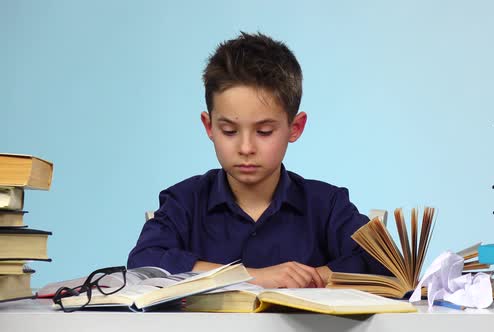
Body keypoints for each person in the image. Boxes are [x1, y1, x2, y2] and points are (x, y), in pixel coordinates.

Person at [127, 32, 389, 288]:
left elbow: (381, 263)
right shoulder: (184, 201)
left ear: (295, 128)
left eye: (264, 131)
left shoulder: (327, 205)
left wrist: (310, 278)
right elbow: (144, 262)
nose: (246, 147)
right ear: (209, 126)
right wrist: (251, 277)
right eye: (229, 131)